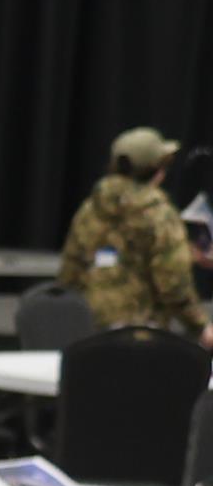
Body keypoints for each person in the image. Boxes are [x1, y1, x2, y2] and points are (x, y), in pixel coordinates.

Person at [56, 127, 213, 346]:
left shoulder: (90, 209)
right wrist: (200, 325)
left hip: (88, 334)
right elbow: (173, 284)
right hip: (142, 338)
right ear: (158, 170)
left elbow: (70, 272)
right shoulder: (160, 214)